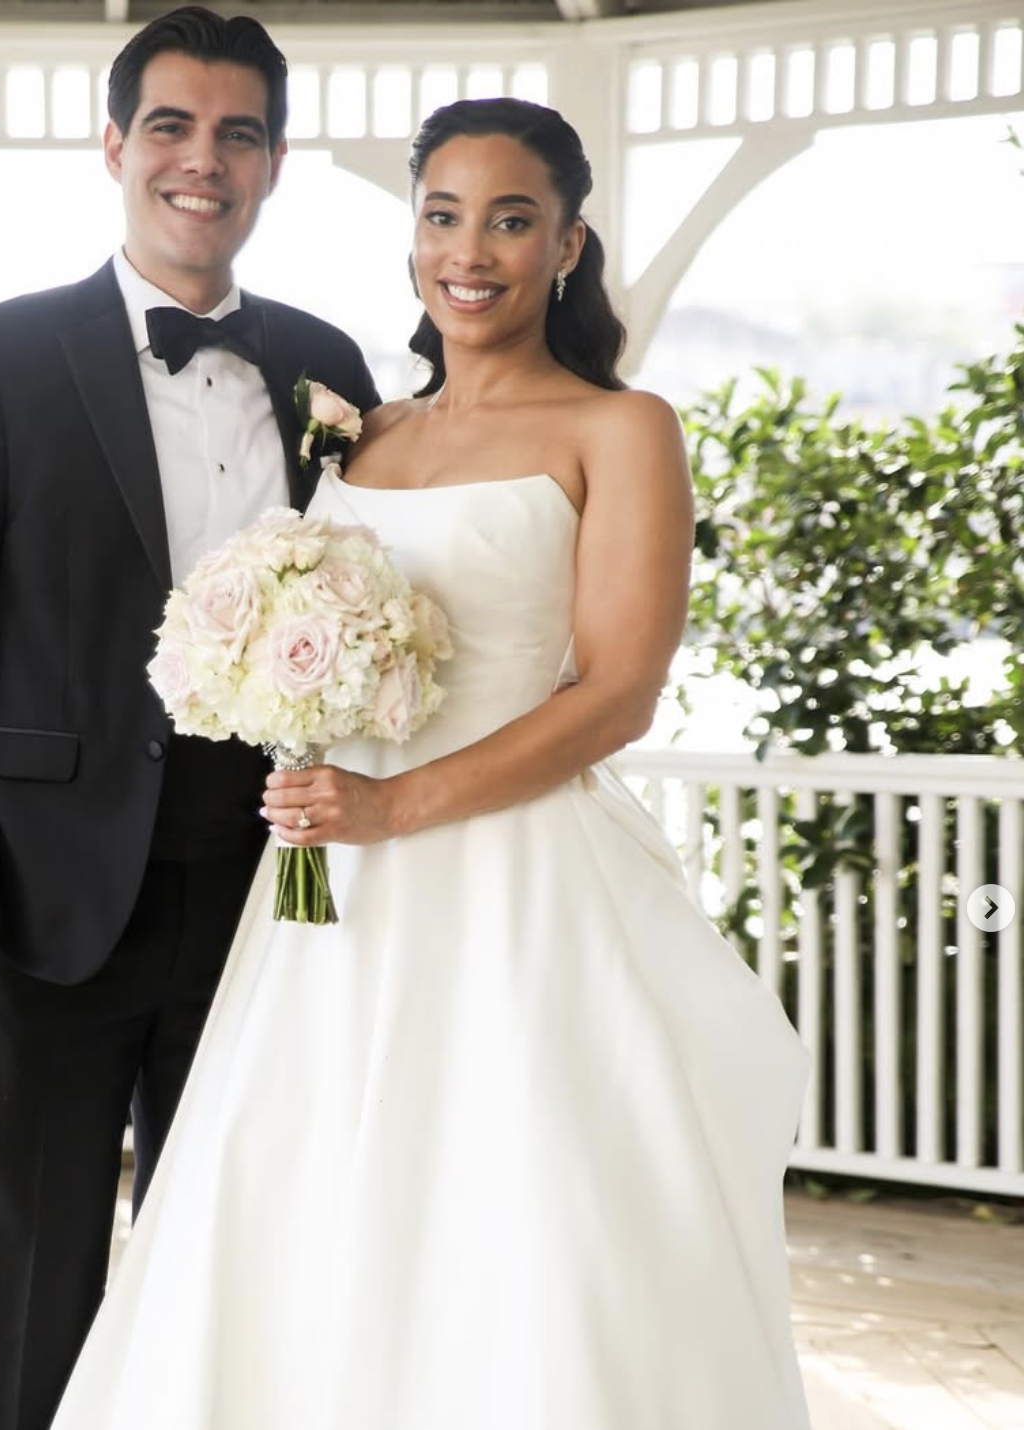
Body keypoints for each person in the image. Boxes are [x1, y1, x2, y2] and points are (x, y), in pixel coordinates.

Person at [49, 97, 813, 1429]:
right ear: (413, 234)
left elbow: (619, 692)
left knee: (514, 1212)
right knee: (305, 1199)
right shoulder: (365, 433)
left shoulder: (621, 428)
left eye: (513, 219)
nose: (471, 250)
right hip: (326, 895)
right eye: (443, 214)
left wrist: (398, 801)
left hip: (506, 878)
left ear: (569, 244)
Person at [0, 8, 380, 1427]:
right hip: (34, 914)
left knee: (244, 1278)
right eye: (171, 126)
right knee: (30, 1301)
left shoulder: (333, 372)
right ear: (113, 146)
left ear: (273, 163)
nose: (203, 161)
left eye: (238, 133)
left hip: (274, 907)